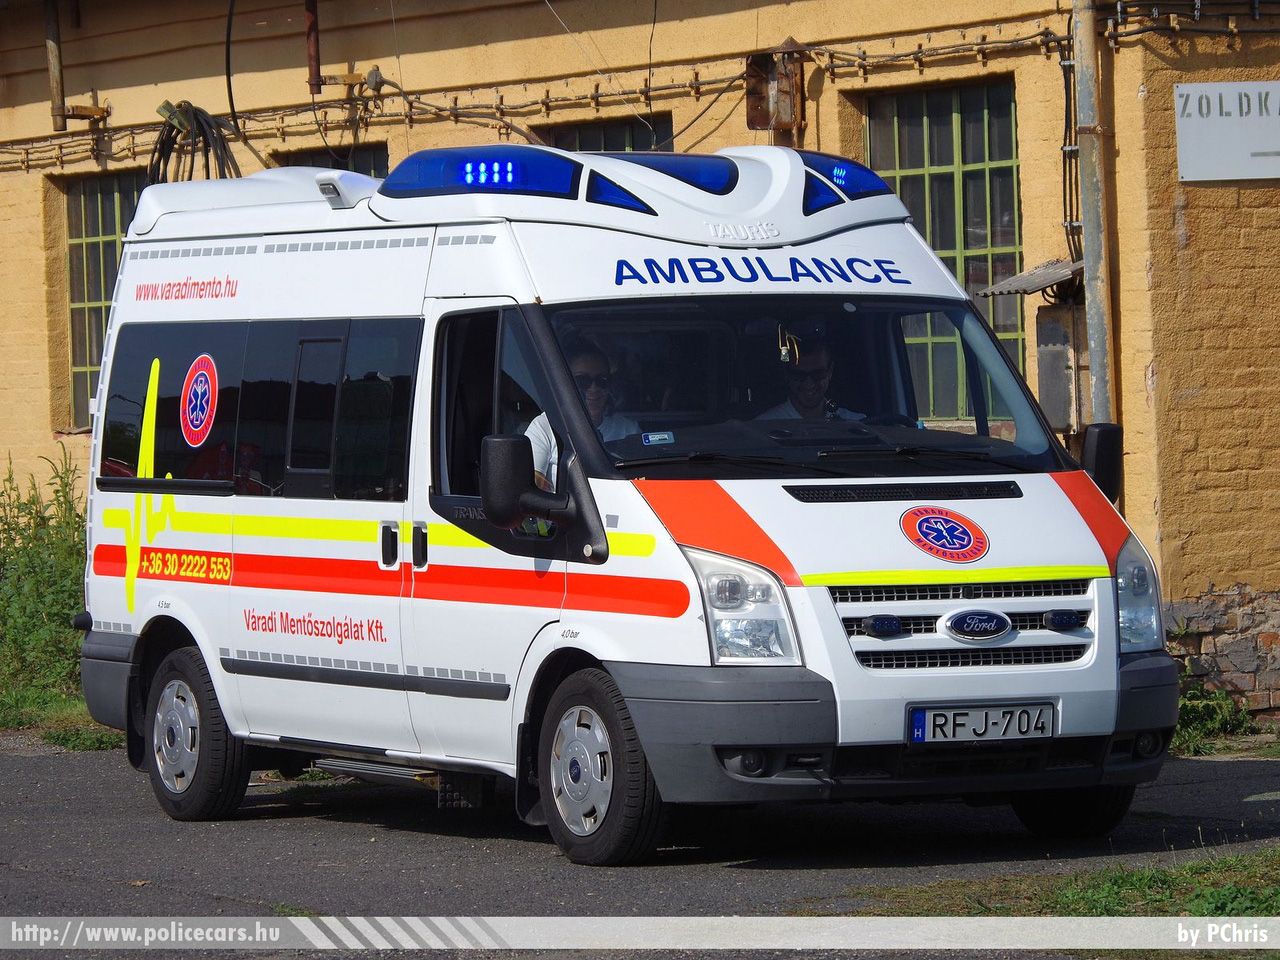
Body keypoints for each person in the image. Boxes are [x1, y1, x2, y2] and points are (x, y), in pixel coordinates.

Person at [527, 341, 637, 490]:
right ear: (566, 384)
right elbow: (530, 489)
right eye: (583, 381)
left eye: (602, 381)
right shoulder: (545, 426)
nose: (594, 388)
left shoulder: (628, 429)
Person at [757, 340, 863, 421]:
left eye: (818, 373)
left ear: (830, 372)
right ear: (787, 374)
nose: (809, 383)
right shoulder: (763, 428)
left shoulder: (858, 424)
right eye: (799, 374)